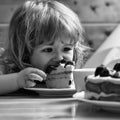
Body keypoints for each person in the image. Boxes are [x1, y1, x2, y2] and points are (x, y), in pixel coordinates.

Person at [0, 0, 88, 95]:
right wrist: (17, 80)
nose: (59, 58)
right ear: (25, 52)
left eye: (66, 49)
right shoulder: (6, 67)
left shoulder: (71, 78)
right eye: (48, 50)